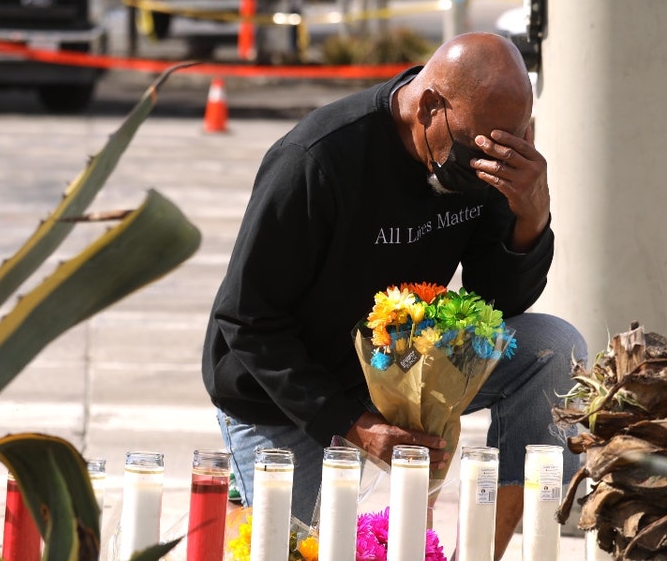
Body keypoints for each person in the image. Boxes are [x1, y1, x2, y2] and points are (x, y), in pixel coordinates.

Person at [202, 32, 586, 558]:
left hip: (403, 367)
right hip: (284, 396)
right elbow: (246, 319)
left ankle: (480, 553)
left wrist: (530, 221)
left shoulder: (478, 156)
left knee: (552, 348)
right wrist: (355, 428)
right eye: (477, 148)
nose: (485, 166)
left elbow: (497, 300)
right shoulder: (316, 160)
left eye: (508, 145)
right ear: (430, 106)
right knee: (295, 548)